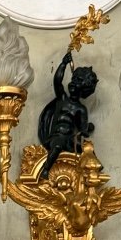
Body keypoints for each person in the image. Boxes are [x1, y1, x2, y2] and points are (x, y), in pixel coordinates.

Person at [38, 52, 98, 180]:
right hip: (56, 137)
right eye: (74, 79)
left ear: (84, 89)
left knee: (88, 152)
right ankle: (45, 169)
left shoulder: (81, 109)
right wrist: (63, 64)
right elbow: (57, 81)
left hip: (70, 141)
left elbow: (82, 130)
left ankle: (93, 173)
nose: (73, 83)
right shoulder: (62, 99)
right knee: (58, 145)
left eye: (78, 82)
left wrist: (87, 130)